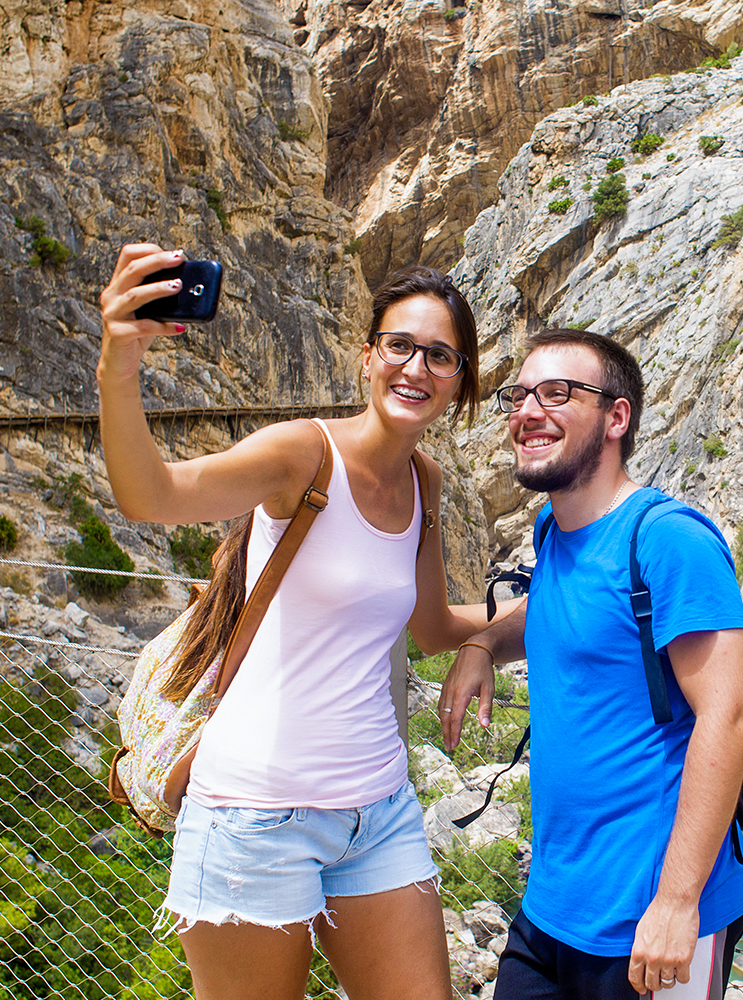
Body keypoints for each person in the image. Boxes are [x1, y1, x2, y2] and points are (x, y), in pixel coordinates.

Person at [97, 244, 497, 1000]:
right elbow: (152, 494)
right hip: (255, 817)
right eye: (400, 346)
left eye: (440, 357)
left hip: (377, 812)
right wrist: (120, 359)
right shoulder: (300, 454)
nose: (416, 368)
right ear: (368, 357)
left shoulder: (425, 482)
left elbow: (433, 627)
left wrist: (539, 613)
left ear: (460, 383)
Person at [440, 328, 743, 999]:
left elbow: (729, 717)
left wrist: (676, 904)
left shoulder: (669, 539)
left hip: (653, 925)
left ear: (617, 417)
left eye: (557, 393)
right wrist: (483, 644)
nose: (528, 410)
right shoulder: (555, 530)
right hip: (552, 908)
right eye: (519, 394)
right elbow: (561, 609)